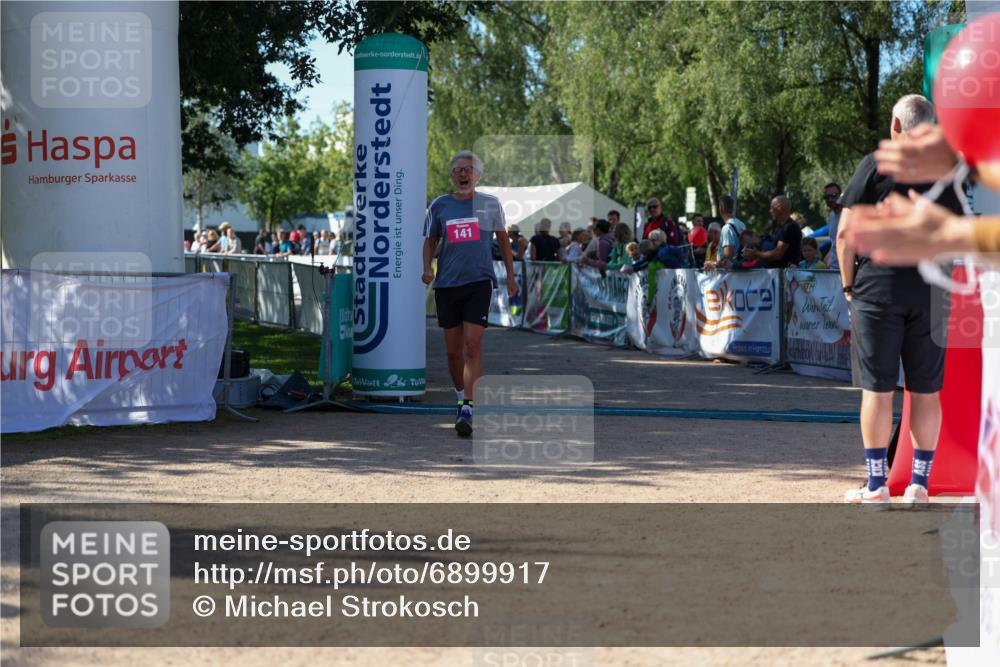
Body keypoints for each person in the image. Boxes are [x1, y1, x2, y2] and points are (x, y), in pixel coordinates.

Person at [836, 94, 965, 504]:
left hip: (878, 289)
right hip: (931, 291)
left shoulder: (875, 164)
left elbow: (844, 236)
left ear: (895, 125)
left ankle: (877, 485)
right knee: (926, 391)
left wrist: (848, 287)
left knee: (877, 390)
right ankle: (919, 485)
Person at [422, 151, 518, 438]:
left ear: (478, 175)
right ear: (451, 175)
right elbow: (429, 241)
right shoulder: (440, 205)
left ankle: (468, 406)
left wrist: (511, 276)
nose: (463, 174)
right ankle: (460, 394)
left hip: (479, 282)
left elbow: (503, 240)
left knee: (472, 346)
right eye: (457, 169)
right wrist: (427, 267)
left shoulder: (490, 204)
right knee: (453, 352)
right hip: (447, 285)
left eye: (469, 169)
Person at [743, 196, 802, 268]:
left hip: (786, 275)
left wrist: (756, 254)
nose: (770, 211)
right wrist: (755, 255)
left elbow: (777, 254)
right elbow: (773, 253)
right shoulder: (782, 228)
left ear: (779, 207)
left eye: (772, 207)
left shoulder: (790, 227)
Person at [705, 195, 745, 270]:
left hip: (731, 274)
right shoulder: (741, 224)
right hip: (739, 270)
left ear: (721, 208)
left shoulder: (727, 228)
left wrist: (713, 264)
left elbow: (728, 256)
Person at [822, 182, 843, 271]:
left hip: (846, 270)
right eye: (827, 197)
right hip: (833, 269)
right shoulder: (831, 216)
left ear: (841, 196)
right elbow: (834, 243)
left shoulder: (849, 214)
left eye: (834, 196)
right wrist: (827, 258)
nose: (830, 199)